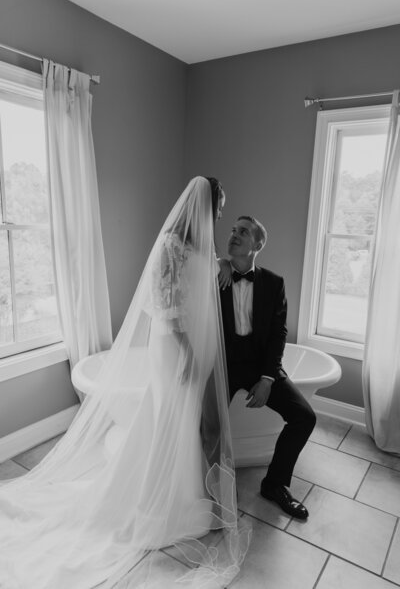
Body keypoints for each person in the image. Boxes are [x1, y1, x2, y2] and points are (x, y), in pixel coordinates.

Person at [0, 177, 249, 589]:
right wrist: (187, 350)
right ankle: (163, 500)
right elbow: (166, 303)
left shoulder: (205, 246)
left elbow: (204, 289)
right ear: (204, 206)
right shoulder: (170, 244)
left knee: (189, 422)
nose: (222, 214)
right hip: (176, 346)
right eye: (219, 206)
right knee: (172, 419)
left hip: (197, 346)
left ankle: (190, 495)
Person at [219, 215, 316, 520]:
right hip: (221, 365)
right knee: (197, 420)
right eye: (233, 230)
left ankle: (274, 485)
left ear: (257, 244)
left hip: (260, 364)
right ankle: (213, 485)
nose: (234, 235)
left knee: (304, 417)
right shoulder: (214, 275)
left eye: (243, 232)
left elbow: (278, 334)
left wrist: (267, 378)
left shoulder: (274, 283)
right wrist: (220, 263)